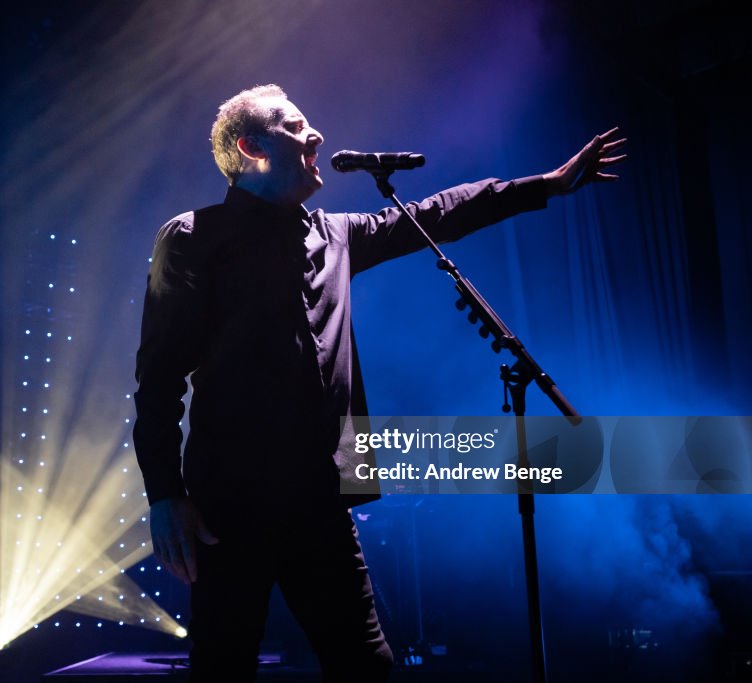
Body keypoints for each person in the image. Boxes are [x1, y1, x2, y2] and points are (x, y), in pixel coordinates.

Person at [133, 84, 625, 681]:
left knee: (367, 666)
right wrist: (165, 494)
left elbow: (439, 212)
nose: (315, 135)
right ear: (251, 146)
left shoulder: (332, 235)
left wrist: (545, 186)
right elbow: (158, 379)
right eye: (295, 126)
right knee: (224, 666)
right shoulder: (192, 238)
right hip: (230, 504)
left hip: (323, 497)